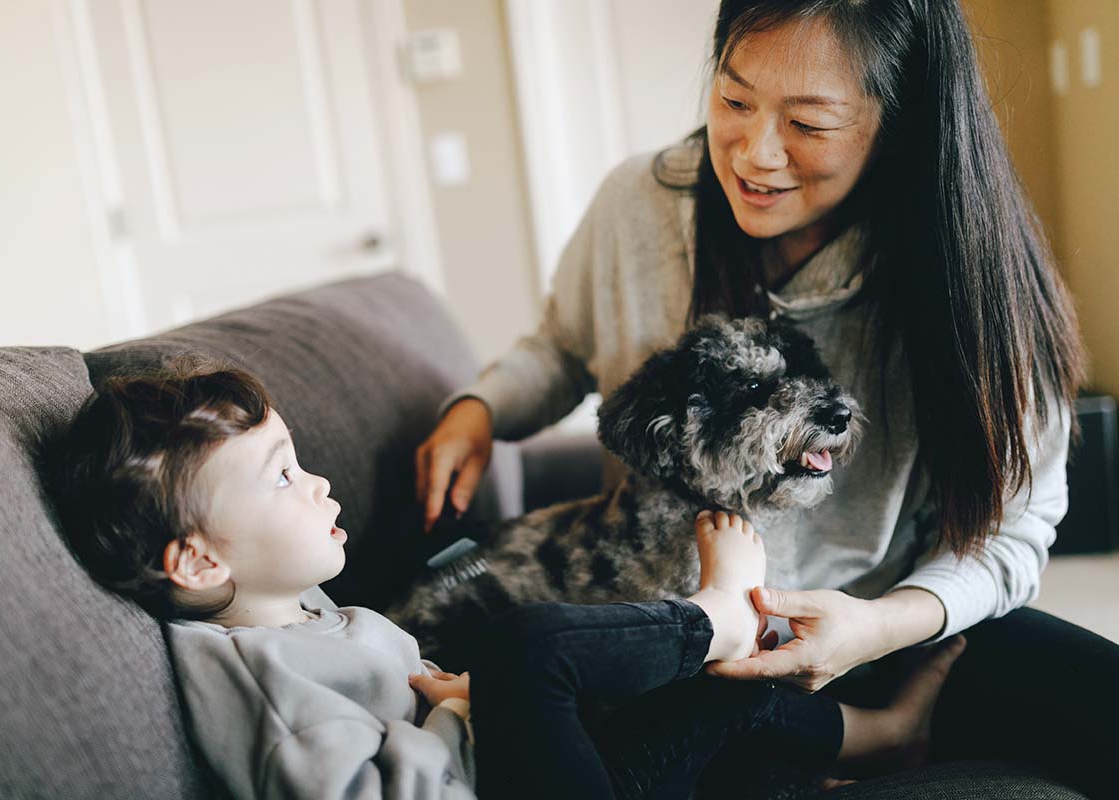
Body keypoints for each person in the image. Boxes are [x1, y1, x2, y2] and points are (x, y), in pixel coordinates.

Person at [416, 0, 1117, 796]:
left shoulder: (974, 276)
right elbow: (560, 346)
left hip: (890, 626)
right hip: (695, 636)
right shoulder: (639, 206)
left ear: (902, 123)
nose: (754, 154)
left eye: (809, 124)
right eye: (735, 100)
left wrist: (882, 624)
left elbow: (1013, 533)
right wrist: (477, 411)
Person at [46, 366, 965, 800]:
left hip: (551, 772)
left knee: (689, 687)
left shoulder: (294, 613)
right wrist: (468, 712)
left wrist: (461, 704)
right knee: (527, 645)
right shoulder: (254, 675)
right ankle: (714, 614)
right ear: (203, 562)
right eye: (283, 476)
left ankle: (879, 739)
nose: (319, 481)